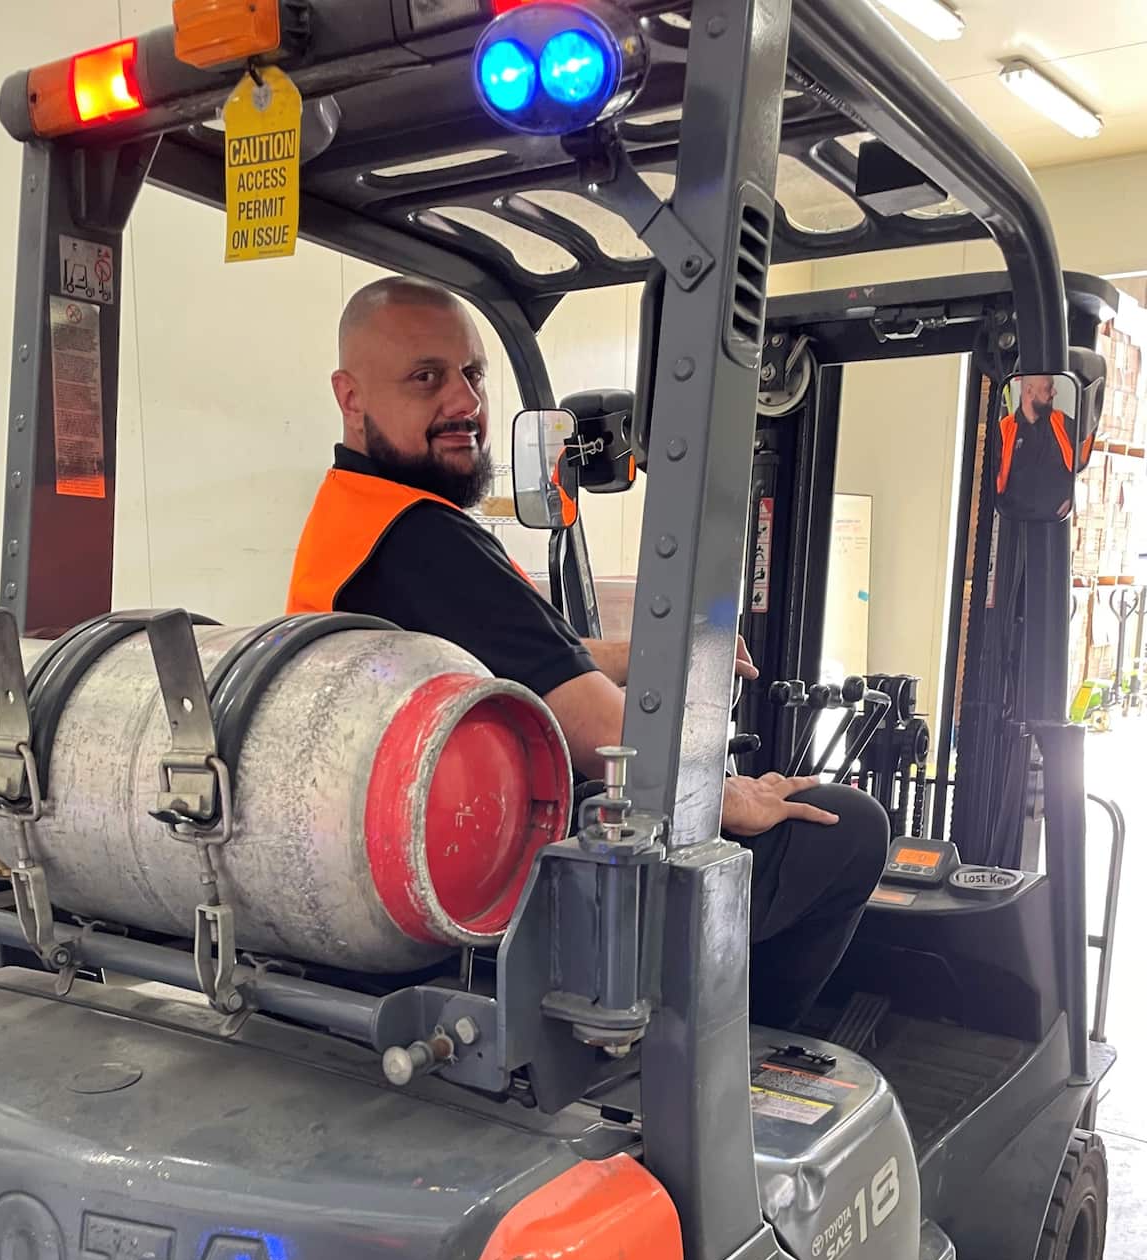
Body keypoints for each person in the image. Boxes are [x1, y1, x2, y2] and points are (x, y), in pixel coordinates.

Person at [288, 277, 889, 1030]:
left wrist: (642, 652)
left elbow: (523, 657)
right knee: (848, 826)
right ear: (350, 396)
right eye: (426, 378)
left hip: (427, 851)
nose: (465, 402)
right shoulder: (422, 541)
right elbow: (612, 738)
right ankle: (730, 1055)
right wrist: (732, 794)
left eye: (472, 374)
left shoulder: (357, 520)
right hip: (508, 875)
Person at [996, 374, 1085, 520]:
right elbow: (993, 477)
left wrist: (1072, 493)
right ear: (1029, 392)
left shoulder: (1062, 422)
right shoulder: (1005, 429)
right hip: (1014, 522)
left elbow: (1082, 462)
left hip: (1056, 522)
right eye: (1048, 388)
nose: (1054, 392)